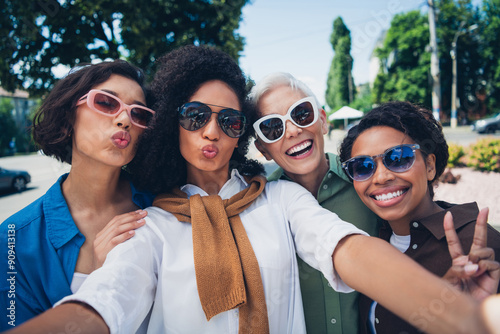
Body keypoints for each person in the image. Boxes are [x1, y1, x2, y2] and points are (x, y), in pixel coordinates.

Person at [5, 46, 496, 334]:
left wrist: (468, 317)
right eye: (195, 117)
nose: (212, 132)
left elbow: (346, 248)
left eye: (230, 120)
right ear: (171, 124)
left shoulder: (281, 198)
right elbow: (107, 302)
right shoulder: (151, 223)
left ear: (242, 133)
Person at [0, 60, 155, 329]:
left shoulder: (163, 204)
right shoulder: (12, 239)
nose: (124, 120)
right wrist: (101, 279)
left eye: (139, 114)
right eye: (107, 103)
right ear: (69, 115)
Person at [337, 101, 500, 334]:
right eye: (363, 166)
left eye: (399, 158)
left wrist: (469, 319)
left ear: (430, 166)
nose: (381, 177)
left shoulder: (480, 248)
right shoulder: (370, 239)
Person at [250, 72, 380, 333]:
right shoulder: (256, 208)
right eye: (273, 127)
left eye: (301, 114)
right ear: (263, 149)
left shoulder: (367, 183)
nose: (294, 130)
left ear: (322, 120)